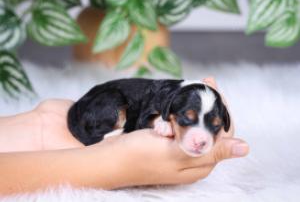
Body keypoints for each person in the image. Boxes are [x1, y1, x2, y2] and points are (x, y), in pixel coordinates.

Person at [0, 77, 249, 195]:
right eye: (187, 119)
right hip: (99, 108)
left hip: (63, 117)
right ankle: (102, 134)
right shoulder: (166, 102)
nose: (202, 136)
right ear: (168, 110)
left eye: (214, 126)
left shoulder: (178, 100)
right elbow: (143, 120)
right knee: (115, 111)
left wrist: (43, 123)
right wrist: (110, 162)